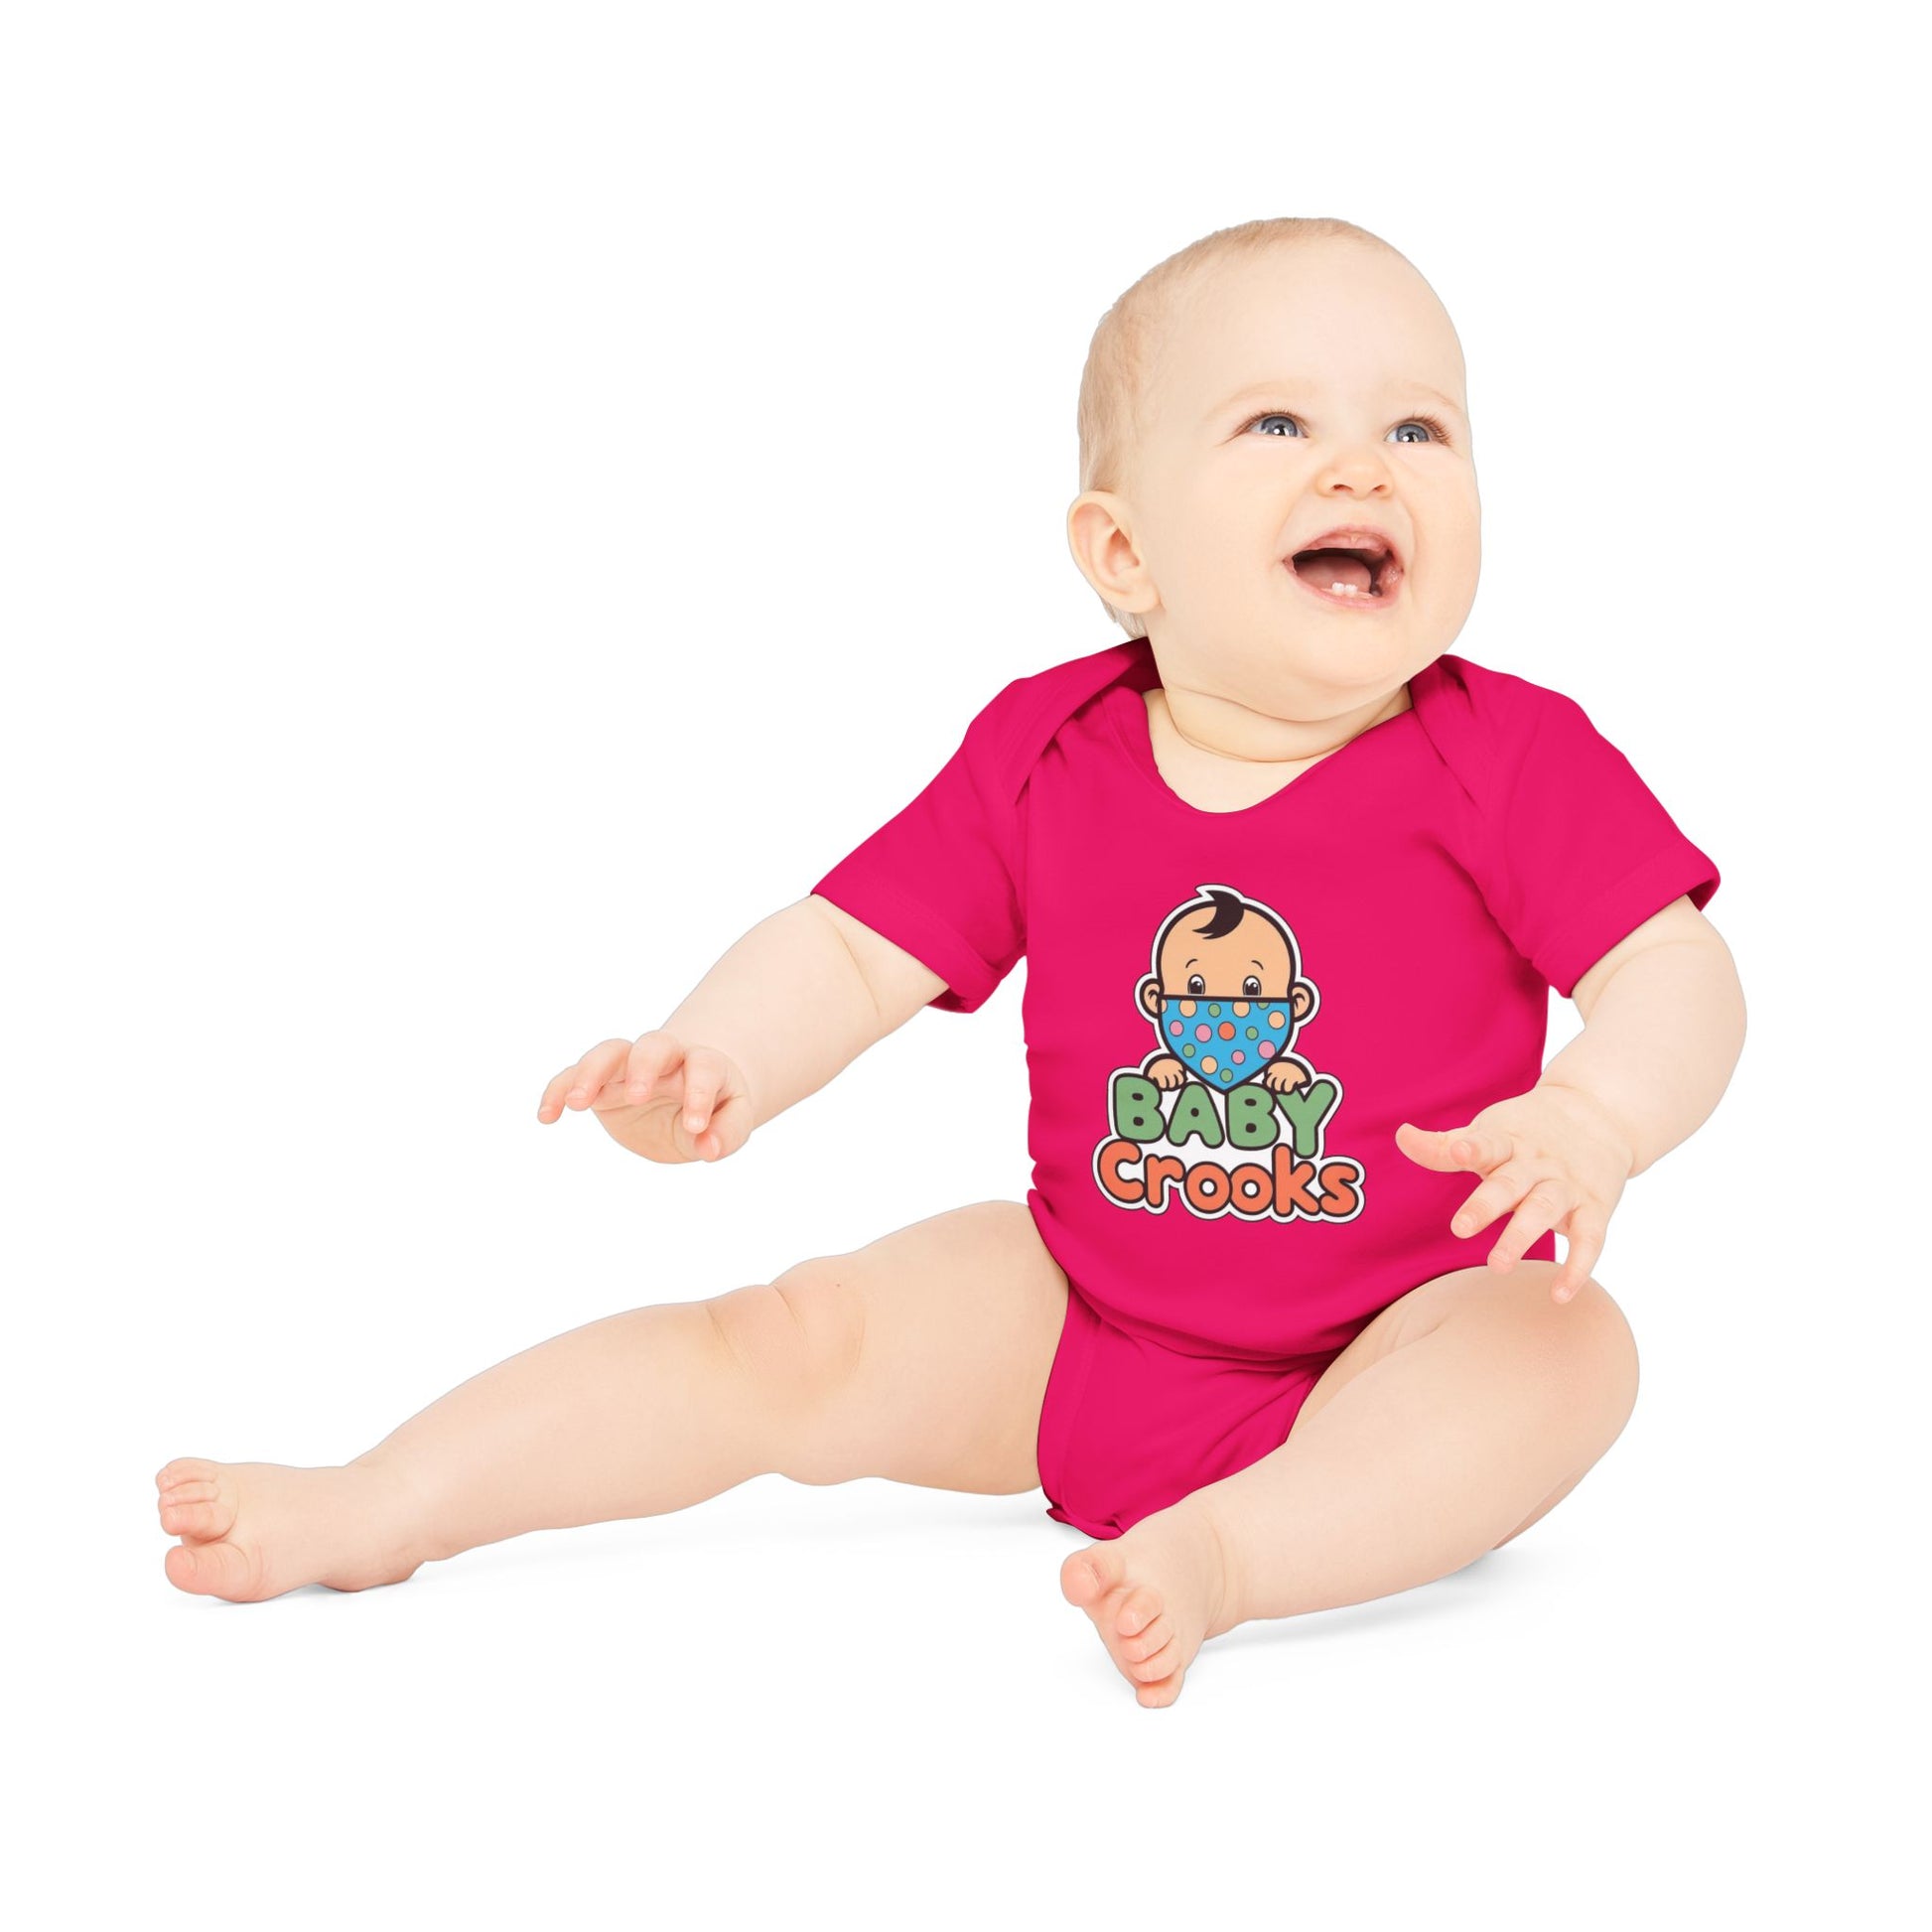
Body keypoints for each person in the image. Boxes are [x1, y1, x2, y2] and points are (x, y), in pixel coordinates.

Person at [156, 216, 1745, 1709]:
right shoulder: (1047, 750)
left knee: (1564, 1351)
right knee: (787, 1336)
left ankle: (1229, 1553)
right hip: (1080, 1315)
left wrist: (1594, 1114)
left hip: (1393, 1348)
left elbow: (1676, 971)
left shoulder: (1509, 758)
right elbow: (854, 946)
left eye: (1418, 427)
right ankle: (386, 1498)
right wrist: (716, 1050)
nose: (1361, 465)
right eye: (1277, 423)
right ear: (1122, 550)